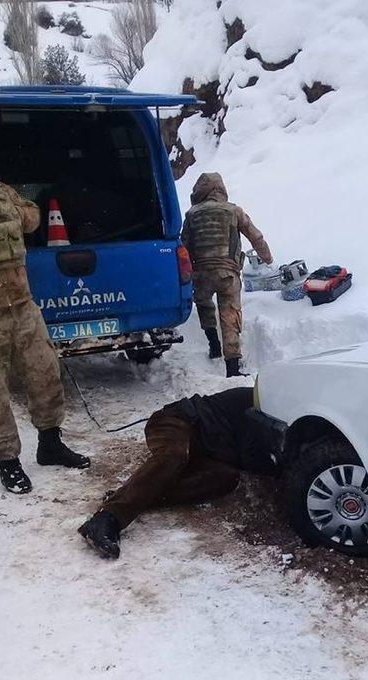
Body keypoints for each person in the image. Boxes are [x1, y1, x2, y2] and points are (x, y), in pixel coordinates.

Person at [0, 169, 90, 494]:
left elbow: (32, 219)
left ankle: (50, 443)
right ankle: (8, 462)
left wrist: (12, 211)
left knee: (45, 372)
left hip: (22, 304)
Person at [78, 385, 277, 559]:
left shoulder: (273, 409)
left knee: (226, 478)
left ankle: (135, 497)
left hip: (206, 452)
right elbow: (251, 457)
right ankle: (107, 518)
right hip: (175, 422)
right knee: (175, 454)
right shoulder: (259, 404)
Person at [181, 172, 273, 377]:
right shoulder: (233, 211)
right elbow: (255, 236)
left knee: (205, 306)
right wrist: (267, 259)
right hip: (228, 274)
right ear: (221, 189)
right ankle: (232, 367)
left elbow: (184, 246)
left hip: (201, 274)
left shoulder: (191, 214)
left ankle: (213, 345)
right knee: (230, 315)